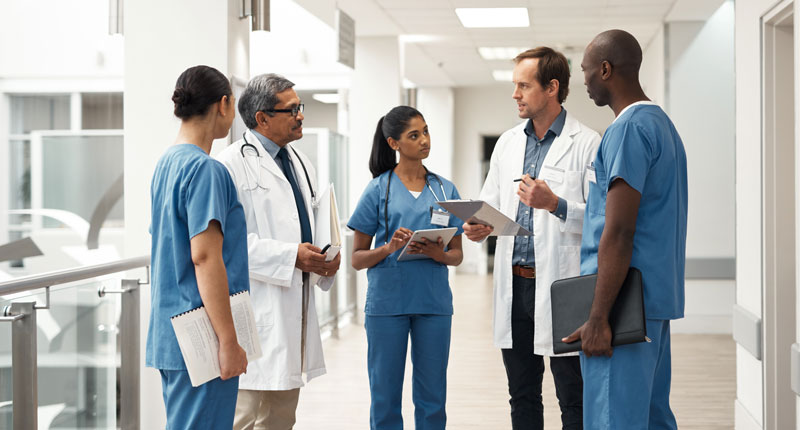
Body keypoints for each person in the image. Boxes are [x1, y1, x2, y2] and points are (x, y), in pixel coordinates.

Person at [462, 47, 600, 430]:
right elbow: (490, 204)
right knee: (522, 394)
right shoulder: (507, 144)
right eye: (515, 85)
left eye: (524, 85)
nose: (515, 94)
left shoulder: (588, 143)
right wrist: (477, 227)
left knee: (573, 396)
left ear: (552, 87)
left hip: (562, 288)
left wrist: (555, 203)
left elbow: (602, 220)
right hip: (515, 286)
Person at [562, 29, 688, 430]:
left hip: (622, 308)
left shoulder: (628, 130)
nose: (583, 81)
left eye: (585, 71)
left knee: (614, 420)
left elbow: (618, 230)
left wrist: (598, 317)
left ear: (605, 69)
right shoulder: (662, 125)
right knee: (650, 418)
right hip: (652, 302)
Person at [215, 73, 341, 430]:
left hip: (293, 307)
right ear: (262, 118)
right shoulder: (230, 165)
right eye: (292, 109)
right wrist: (291, 257)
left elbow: (311, 223)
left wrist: (324, 260)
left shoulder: (300, 162)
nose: (301, 115)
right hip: (257, 309)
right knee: (244, 417)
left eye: (300, 107)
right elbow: (228, 243)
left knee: (281, 418)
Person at [348, 106, 464, 430]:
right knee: (384, 397)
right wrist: (388, 248)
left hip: (433, 303)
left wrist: (438, 254)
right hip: (387, 306)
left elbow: (457, 255)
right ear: (394, 143)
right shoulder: (377, 190)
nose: (424, 140)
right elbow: (356, 258)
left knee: (432, 399)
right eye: (414, 135)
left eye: (425, 131)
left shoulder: (444, 190)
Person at [147, 65, 249, 429]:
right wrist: (228, 341)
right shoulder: (206, 170)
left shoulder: (167, 164)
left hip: (170, 334)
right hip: (201, 337)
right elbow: (205, 258)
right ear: (223, 104)